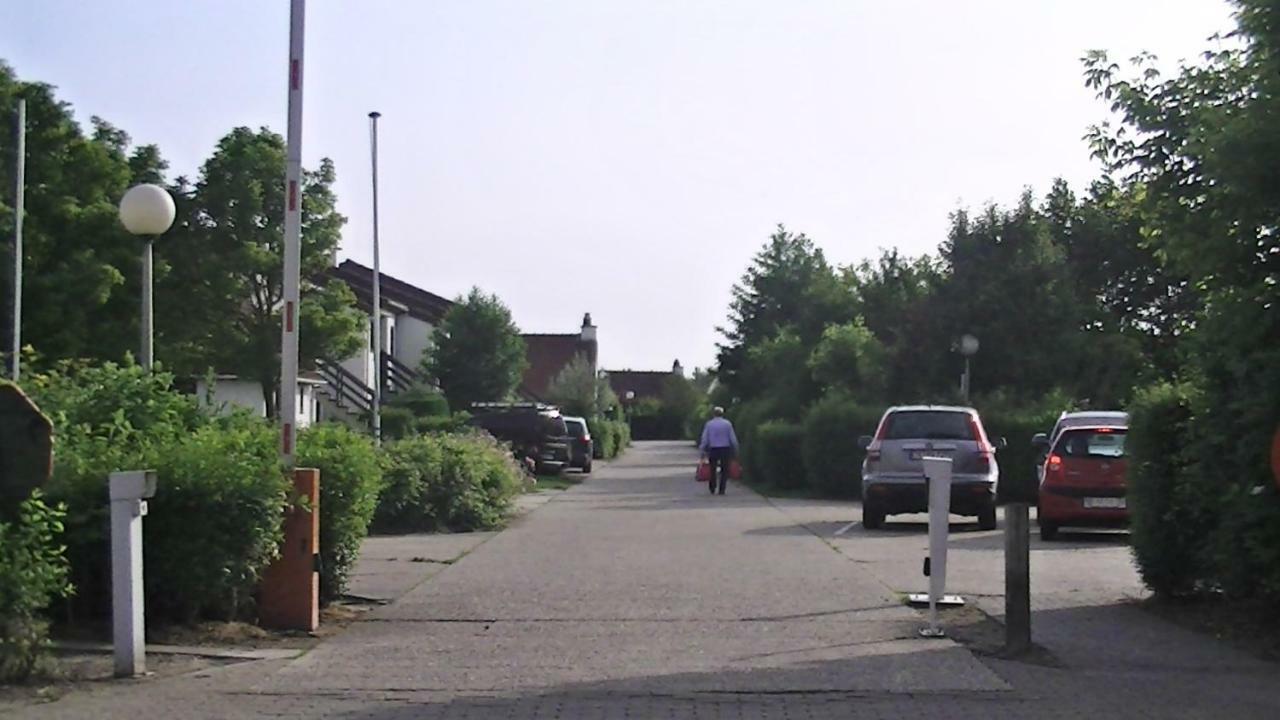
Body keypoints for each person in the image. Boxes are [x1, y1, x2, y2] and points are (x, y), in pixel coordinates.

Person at [699, 406, 739, 496]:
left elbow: (705, 438)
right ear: (722, 414)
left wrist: (702, 450)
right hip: (725, 448)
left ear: (714, 414)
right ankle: (722, 489)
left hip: (713, 449)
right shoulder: (727, 424)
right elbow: (732, 438)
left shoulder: (709, 424)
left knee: (712, 469)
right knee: (724, 470)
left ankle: (712, 487)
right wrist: (736, 448)